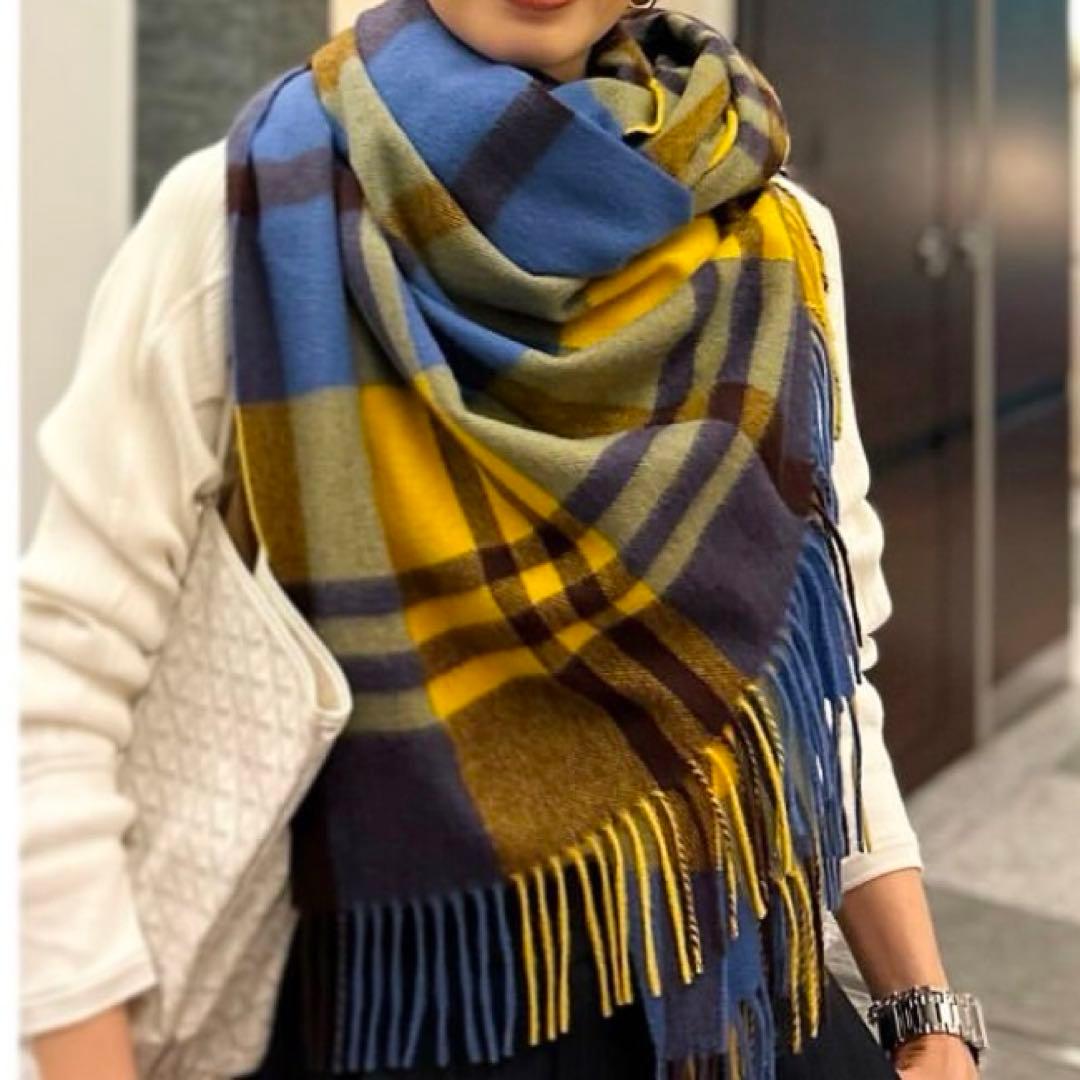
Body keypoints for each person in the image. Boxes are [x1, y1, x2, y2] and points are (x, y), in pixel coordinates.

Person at [19, 1, 984, 1077]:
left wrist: (925, 1008)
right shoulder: (254, 208)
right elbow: (59, 688)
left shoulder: (771, 230)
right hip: (400, 1005)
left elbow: (809, 676)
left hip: (730, 993)